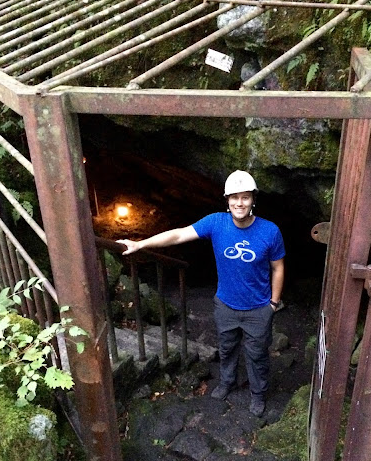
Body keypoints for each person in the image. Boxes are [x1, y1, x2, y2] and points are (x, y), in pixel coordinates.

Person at [117, 170, 285, 416]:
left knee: (257, 354)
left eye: (245, 197)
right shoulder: (216, 223)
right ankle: (227, 382)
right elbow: (179, 234)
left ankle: (258, 394)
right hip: (225, 305)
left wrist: (273, 303)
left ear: (253, 200)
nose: (239, 203)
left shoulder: (270, 231)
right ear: (227, 200)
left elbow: (278, 268)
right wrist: (141, 244)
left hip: (258, 308)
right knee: (227, 348)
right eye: (234, 197)